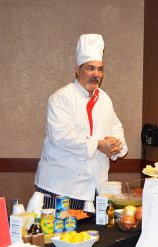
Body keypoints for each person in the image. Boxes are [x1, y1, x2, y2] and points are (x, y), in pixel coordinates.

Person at [35, 34, 128, 210]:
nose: (96, 74)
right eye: (90, 68)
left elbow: (116, 127)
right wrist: (98, 144)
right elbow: (61, 137)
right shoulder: (61, 98)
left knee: (91, 236)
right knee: (57, 237)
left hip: (93, 188)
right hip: (60, 187)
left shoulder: (104, 99)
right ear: (77, 70)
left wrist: (116, 144)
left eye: (100, 69)